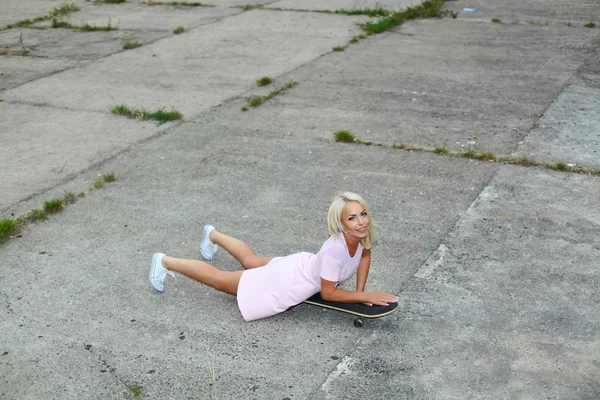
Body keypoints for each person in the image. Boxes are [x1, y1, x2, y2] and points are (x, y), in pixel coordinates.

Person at [149, 192, 398, 321]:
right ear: (340, 223)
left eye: (363, 214)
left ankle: (213, 235)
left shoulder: (362, 234)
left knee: (251, 262)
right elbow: (328, 293)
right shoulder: (335, 249)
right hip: (289, 281)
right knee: (220, 279)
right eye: (352, 218)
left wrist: (359, 294)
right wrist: (362, 296)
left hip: (300, 265)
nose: (361, 222)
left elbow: (365, 256)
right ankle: (164, 261)